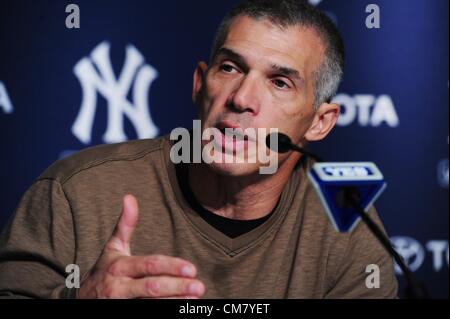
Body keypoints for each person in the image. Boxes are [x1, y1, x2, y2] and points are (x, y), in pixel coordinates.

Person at [0, 0, 398, 299]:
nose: (242, 98)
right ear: (198, 84)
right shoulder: (77, 193)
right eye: (230, 68)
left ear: (320, 121)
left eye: (279, 83)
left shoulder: (345, 220)